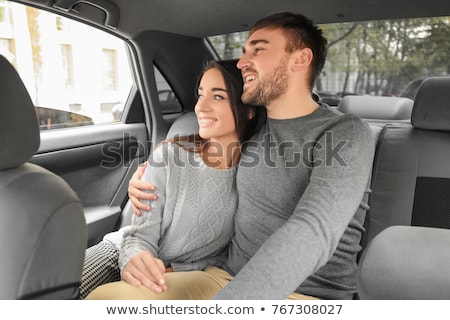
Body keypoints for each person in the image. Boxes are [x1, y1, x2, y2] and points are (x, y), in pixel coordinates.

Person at [97, 11, 375, 300]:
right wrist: (149, 174)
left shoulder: (345, 132)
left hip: (306, 294)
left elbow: (313, 228)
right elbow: (199, 163)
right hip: (224, 277)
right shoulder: (252, 127)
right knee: (104, 301)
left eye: (258, 49)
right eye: (244, 52)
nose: (242, 62)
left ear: (300, 60)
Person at [82, 59, 265, 299]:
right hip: (120, 254)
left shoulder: (259, 177)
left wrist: (177, 270)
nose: (201, 107)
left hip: (184, 276)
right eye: (200, 96)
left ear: (249, 109)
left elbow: (233, 254)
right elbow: (139, 235)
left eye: (218, 97)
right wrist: (135, 260)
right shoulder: (168, 156)